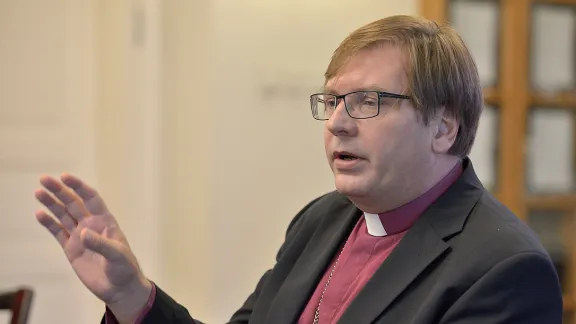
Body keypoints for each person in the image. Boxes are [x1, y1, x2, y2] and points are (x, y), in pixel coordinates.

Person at [34, 15, 562, 324]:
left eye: (367, 101)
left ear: (444, 127)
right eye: (331, 101)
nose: (337, 123)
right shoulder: (322, 220)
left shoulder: (504, 269)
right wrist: (133, 296)